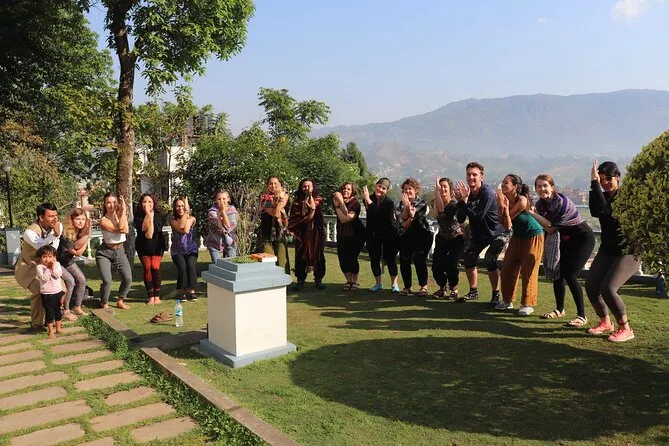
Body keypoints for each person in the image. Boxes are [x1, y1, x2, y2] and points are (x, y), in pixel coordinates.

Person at [527, 174, 595, 327]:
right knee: (557, 273)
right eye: (539, 186)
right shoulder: (540, 205)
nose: (542, 189)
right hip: (565, 239)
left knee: (570, 275)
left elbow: (550, 228)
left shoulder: (562, 203)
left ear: (552, 187)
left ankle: (582, 316)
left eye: (545, 185)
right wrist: (535, 213)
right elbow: (547, 226)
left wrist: (531, 213)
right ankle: (559, 309)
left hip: (582, 238)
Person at [585, 161, 641, 342]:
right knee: (591, 285)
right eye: (601, 179)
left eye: (608, 179)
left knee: (608, 288)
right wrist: (594, 184)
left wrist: (595, 184)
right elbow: (595, 211)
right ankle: (605, 322)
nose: (605, 183)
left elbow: (608, 214)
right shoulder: (602, 195)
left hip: (628, 250)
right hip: (608, 248)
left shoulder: (627, 197)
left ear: (618, 178)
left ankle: (626, 328)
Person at [454, 162, 509, 304]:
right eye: (468, 174)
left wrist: (464, 202)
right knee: (468, 257)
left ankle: (496, 295)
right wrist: (462, 201)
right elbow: (460, 218)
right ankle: (473, 292)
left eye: (474, 174)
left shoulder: (487, 193)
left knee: (490, 258)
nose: (471, 177)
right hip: (480, 234)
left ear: (481, 177)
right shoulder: (468, 194)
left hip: (497, 232)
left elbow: (478, 216)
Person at [495, 175, 545, 315]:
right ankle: (507, 300)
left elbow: (508, 222)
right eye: (502, 182)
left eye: (506, 183)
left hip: (533, 235)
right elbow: (502, 222)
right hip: (517, 236)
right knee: (508, 267)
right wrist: (501, 205)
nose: (503, 185)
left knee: (528, 269)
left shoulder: (522, 200)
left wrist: (504, 208)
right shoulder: (503, 199)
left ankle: (527, 304)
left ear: (515, 187)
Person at [14, 203, 67, 331]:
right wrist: (55, 235)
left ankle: (54, 318)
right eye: (51, 216)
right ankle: (37, 323)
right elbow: (42, 248)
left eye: (56, 215)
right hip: (28, 268)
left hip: (47, 267)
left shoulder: (57, 226)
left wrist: (56, 236)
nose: (55, 218)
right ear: (41, 218)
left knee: (61, 289)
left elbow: (52, 251)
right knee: (39, 290)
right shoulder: (29, 232)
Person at [362, 178, 400, 293]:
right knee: (374, 259)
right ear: (375, 186)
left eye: (384, 188)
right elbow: (371, 216)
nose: (380, 189)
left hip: (389, 233)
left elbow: (379, 216)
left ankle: (394, 284)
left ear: (387, 191)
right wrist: (368, 200)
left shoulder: (389, 203)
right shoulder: (369, 198)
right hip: (373, 234)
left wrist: (368, 201)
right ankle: (378, 283)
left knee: (390, 259)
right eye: (379, 186)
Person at [288, 178, 326, 290]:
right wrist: (307, 213)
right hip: (301, 232)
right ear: (301, 188)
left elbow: (315, 210)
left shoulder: (319, 199)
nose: (306, 188)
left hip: (316, 233)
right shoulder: (296, 202)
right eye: (304, 186)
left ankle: (318, 280)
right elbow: (299, 217)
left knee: (318, 255)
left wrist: (310, 198)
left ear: (313, 187)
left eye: (309, 186)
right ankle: (300, 280)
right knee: (300, 255)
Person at [396, 178, 432, 296]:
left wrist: (407, 210)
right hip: (406, 236)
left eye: (410, 189)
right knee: (404, 260)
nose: (407, 191)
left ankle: (423, 286)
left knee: (419, 260)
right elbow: (402, 221)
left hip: (422, 236)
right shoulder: (399, 204)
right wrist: (407, 208)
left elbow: (414, 216)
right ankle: (407, 287)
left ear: (415, 190)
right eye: (405, 189)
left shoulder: (422, 203)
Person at [96, 192, 132, 310]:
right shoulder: (103, 220)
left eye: (114, 202)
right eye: (108, 202)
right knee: (107, 280)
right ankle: (104, 302)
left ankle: (120, 300)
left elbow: (125, 230)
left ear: (118, 203)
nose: (111, 205)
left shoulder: (122, 216)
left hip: (120, 251)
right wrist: (124, 211)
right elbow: (121, 228)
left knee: (127, 278)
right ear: (105, 204)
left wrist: (123, 212)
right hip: (104, 253)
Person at [432, 177, 466, 300]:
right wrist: (437, 194)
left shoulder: (454, 204)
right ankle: (442, 288)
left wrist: (437, 192)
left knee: (451, 264)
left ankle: (454, 289)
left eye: (444, 186)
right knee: (436, 265)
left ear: (450, 190)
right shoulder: (434, 201)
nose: (442, 189)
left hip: (457, 238)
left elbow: (443, 211)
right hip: (442, 237)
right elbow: (436, 215)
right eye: (440, 187)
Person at [58, 208, 92, 320]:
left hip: (67, 261)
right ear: (71, 220)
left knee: (81, 279)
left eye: (83, 219)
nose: (81, 222)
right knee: (70, 281)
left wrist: (86, 235)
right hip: (57, 262)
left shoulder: (80, 232)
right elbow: (78, 251)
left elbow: (80, 249)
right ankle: (66, 310)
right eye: (78, 219)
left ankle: (77, 307)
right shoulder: (66, 234)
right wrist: (87, 235)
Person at [134, 193, 166, 305]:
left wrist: (151, 218)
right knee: (147, 268)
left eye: (150, 202)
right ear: (141, 204)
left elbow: (152, 233)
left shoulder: (159, 215)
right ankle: (151, 296)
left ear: (154, 203)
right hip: (143, 245)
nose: (147, 204)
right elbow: (144, 230)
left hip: (157, 245)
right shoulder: (138, 216)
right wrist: (148, 215)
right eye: (144, 202)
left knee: (155, 267)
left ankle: (157, 296)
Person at [333, 182, 366, 291]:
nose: (345, 190)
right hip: (342, 233)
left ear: (352, 191)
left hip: (356, 234)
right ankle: (349, 280)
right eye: (344, 188)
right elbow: (343, 215)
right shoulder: (336, 201)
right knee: (342, 258)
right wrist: (339, 203)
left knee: (352, 258)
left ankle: (355, 281)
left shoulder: (355, 203)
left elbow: (345, 218)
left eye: (348, 189)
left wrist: (339, 204)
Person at [257, 176, 290, 274]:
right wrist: (279, 199)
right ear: (267, 186)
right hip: (266, 232)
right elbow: (274, 213)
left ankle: (283, 279)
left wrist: (280, 199)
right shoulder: (264, 198)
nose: (273, 186)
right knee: (268, 259)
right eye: (270, 183)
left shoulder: (286, 195)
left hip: (280, 232)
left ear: (280, 185)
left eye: (276, 183)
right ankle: (269, 279)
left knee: (282, 259)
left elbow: (282, 205)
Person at [170, 197, 199, 302]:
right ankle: (182, 292)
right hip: (177, 251)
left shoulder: (192, 219)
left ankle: (192, 291)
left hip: (191, 250)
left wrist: (187, 213)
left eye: (182, 206)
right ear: (174, 208)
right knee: (182, 267)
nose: (180, 208)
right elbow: (182, 228)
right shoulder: (173, 220)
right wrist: (186, 212)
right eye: (178, 206)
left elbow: (186, 229)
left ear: (187, 207)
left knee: (190, 266)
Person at [35, 245, 65, 339]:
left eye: (50, 256)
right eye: (44, 257)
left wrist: (52, 267)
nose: (47, 259)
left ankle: (58, 329)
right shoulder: (39, 267)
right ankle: (50, 331)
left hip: (58, 292)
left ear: (54, 257)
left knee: (58, 311)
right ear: (40, 258)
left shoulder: (57, 264)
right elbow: (44, 278)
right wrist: (48, 269)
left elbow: (58, 275)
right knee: (49, 313)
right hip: (47, 294)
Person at [205, 189, 238, 262]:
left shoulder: (232, 210)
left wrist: (223, 212)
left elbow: (229, 227)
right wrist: (220, 216)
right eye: (219, 199)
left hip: (230, 241)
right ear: (216, 200)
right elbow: (219, 226)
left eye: (224, 199)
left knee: (231, 265)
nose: (221, 201)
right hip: (215, 242)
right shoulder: (212, 212)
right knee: (217, 265)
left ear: (228, 199)